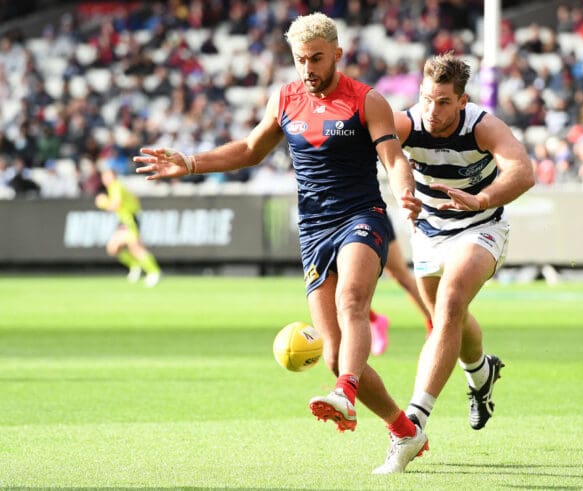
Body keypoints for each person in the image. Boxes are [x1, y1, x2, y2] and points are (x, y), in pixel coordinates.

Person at [133, 12, 427, 474]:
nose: (307, 68)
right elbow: (250, 149)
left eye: (316, 59)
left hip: (361, 217)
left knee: (353, 301)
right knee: (332, 354)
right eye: (299, 59)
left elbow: (394, 158)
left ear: (337, 55)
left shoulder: (367, 101)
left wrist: (406, 192)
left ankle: (344, 394)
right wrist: (189, 162)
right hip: (313, 230)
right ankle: (404, 431)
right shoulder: (285, 99)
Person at [390, 53, 535, 434]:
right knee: (445, 318)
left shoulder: (482, 126)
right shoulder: (406, 122)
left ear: (462, 102)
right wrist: (404, 190)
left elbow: (523, 171)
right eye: (426, 99)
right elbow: (390, 158)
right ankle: (481, 372)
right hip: (428, 232)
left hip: (480, 226)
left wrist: (483, 199)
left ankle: (415, 419)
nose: (431, 110)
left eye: (442, 102)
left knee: (452, 300)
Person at [369, 221, 433, 357]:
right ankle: (374, 320)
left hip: (366, 215)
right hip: (322, 219)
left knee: (400, 275)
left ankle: (433, 323)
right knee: (337, 284)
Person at [94, 168, 161, 287]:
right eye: (104, 177)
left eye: (108, 176)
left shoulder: (116, 186)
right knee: (114, 249)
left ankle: (154, 272)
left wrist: (103, 203)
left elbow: (116, 204)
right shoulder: (115, 187)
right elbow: (133, 200)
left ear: (114, 176)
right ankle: (136, 266)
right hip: (123, 221)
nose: (105, 179)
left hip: (129, 219)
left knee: (136, 248)